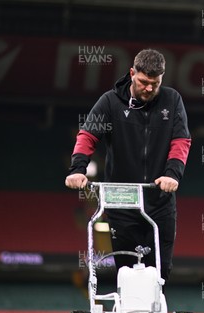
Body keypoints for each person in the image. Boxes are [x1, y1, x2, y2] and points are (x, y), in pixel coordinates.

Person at [65, 49, 191, 283]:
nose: (150, 89)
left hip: (159, 200)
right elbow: (88, 135)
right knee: (125, 272)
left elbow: (181, 141)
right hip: (122, 200)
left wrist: (172, 174)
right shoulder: (110, 102)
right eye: (144, 82)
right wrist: (77, 169)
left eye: (155, 83)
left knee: (160, 273)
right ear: (132, 73)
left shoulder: (172, 100)